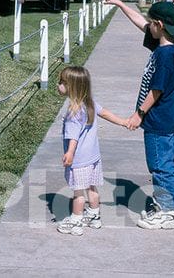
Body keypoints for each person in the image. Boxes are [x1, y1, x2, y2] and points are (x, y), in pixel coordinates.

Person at [102, 0, 174, 230]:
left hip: (158, 119)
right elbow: (141, 23)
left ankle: (167, 212)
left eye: (151, 24)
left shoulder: (166, 56)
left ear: (159, 25)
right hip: (163, 118)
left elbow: (156, 90)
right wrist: (119, 4)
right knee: (163, 163)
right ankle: (168, 205)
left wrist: (138, 114)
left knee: (160, 165)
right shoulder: (166, 42)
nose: (148, 26)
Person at [55, 65, 129, 235]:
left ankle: (76, 221)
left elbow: (73, 138)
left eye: (61, 82)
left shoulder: (74, 112)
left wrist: (69, 153)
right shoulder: (90, 104)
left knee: (78, 193)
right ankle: (94, 216)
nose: (58, 85)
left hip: (79, 160)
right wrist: (123, 122)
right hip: (93, 158)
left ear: (70, 87)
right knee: (92, 188)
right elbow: (106, 114)